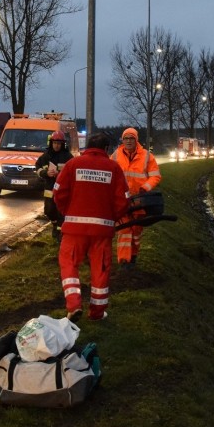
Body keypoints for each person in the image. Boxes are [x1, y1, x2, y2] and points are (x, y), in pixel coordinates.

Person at [53, 133, 130, 322]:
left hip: (74, 229)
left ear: (87, 147)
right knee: (101, 270)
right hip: (102, 230)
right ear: (106, 149)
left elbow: (58, 193)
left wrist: (68, 214)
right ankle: (97, 312)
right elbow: (124, 200)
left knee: (69, 264)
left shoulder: (73, 164)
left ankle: (73, 305)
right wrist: (111, 217)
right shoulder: (114, 168)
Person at [111, 127, 161, 270]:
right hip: (122, 201)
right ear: (122, 140)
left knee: (136, 231)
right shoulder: (115, 156)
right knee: (124, 231)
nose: (128, 141)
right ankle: (124, 261)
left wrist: (145, 187)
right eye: (125, 138)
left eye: (131, 138)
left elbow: (155, 176)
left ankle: (133, 256)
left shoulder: (147, 156)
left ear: (136, 140)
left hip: (140, 200)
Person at [34, 131, 75, 242]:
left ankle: (59, 233)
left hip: (63, 188)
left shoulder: (68, 157)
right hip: (50, 187)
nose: (56, 145)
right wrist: (45, 173)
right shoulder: (46, 156)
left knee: (61, 211)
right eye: (55, 143)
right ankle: (54, 225)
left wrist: (60, 175)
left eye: (59, 143)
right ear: (51, 143)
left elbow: (72, 172)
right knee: (49, 210)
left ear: (63, 144)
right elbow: (37, 167)